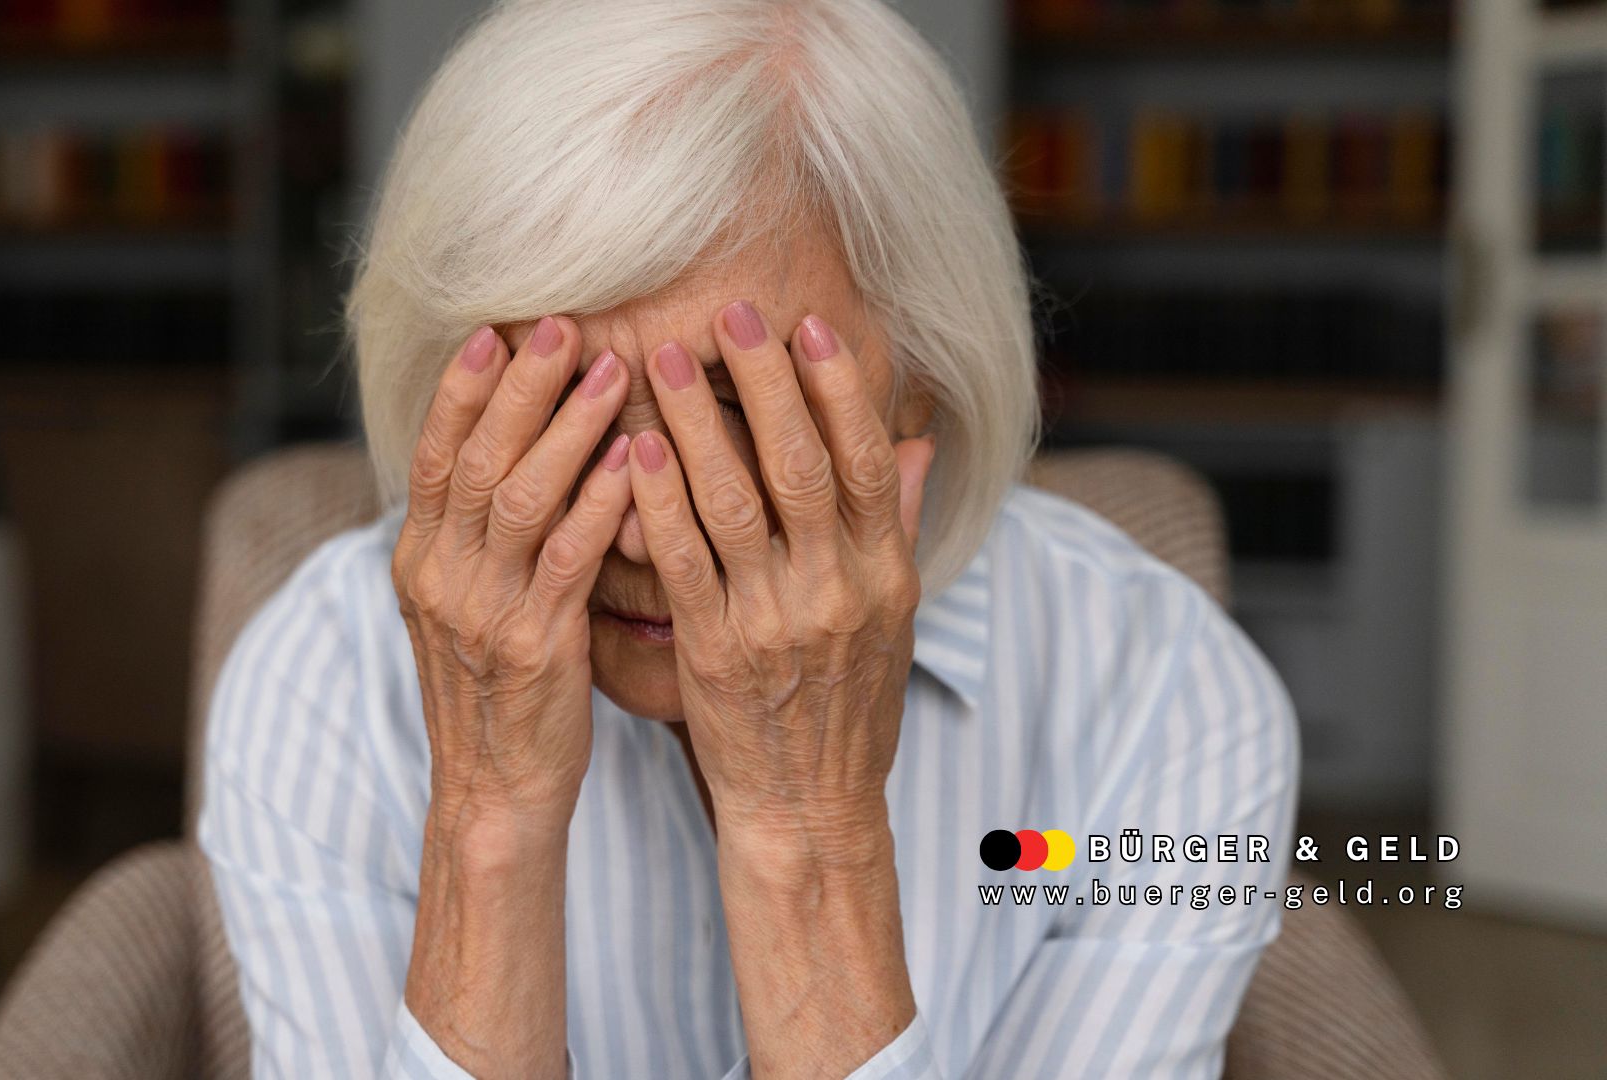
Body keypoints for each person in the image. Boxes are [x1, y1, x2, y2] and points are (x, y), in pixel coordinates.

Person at [199, 1, 1298, 1076]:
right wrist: (488, 826)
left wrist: (809, 832)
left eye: (736, 407)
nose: (641, 528)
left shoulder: (1165, 698)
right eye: (562, 402)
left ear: (926, 382)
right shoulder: (324, 676)